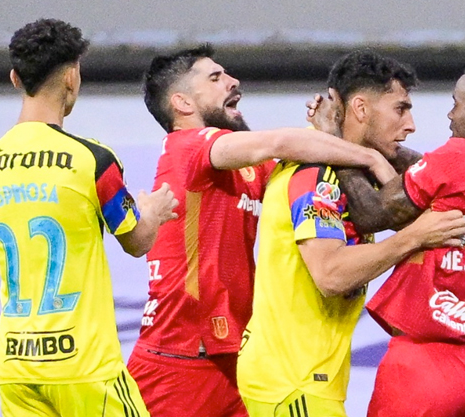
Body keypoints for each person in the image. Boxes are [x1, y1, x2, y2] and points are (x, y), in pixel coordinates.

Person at [126, 44, 401, 417]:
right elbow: (280, 142)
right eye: (215, 77)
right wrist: (372, 157)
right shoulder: (187, 146)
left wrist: (328, 131)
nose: (232, 81)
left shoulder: (250, 170)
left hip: (239, 358)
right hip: (179, 361)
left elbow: (308, 159)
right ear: (182, 103)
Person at [236, 50, 465, 417]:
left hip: (307, 379)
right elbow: (330, 274)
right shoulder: (316, 173)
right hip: (293, 381)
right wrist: (414, 237)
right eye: (400, 109)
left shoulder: (350, 170)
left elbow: (419, 188)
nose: (410, 125)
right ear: (360, 108)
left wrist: (369, 156)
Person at [0, 18, 177, 417]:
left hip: (15, 368)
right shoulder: (92, 159)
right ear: (71, 76)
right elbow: (137, 241)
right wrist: (153, 211)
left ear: (15, 78)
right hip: (85, 367)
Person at [338, 63, 465, 417]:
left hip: (422, 368)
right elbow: (449, 177)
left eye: (456, 104)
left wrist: (340, 146)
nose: (450, 116)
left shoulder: (456, 158)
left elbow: (370, 213)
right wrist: (379, 152)